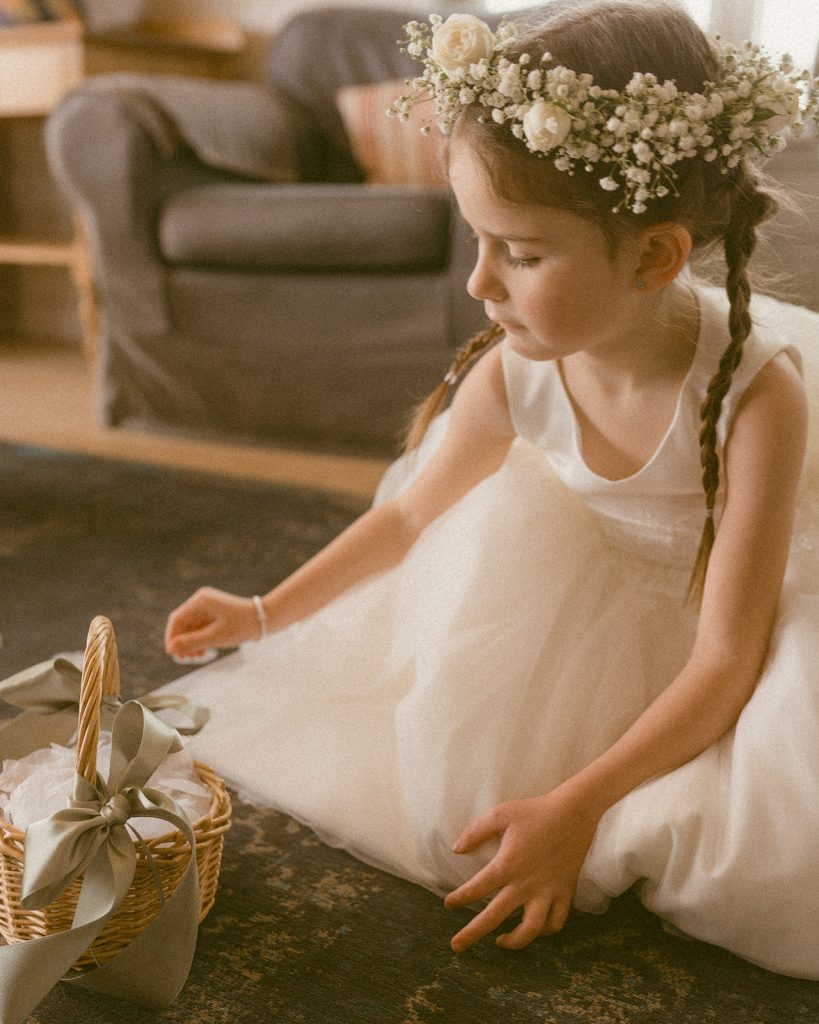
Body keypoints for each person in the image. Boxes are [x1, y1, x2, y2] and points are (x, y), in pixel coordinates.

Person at [161, 0, 819, 977]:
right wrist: (262, 612)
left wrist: (578, 804)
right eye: (475, 238)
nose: (479, 285)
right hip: (568, 603)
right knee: (453, 798)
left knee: (760, 852)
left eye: (521, 251)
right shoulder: (515, 371)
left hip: (719, 626)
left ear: (654, 254)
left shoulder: (759, 400)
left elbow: (727, 661)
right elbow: (406, 518)